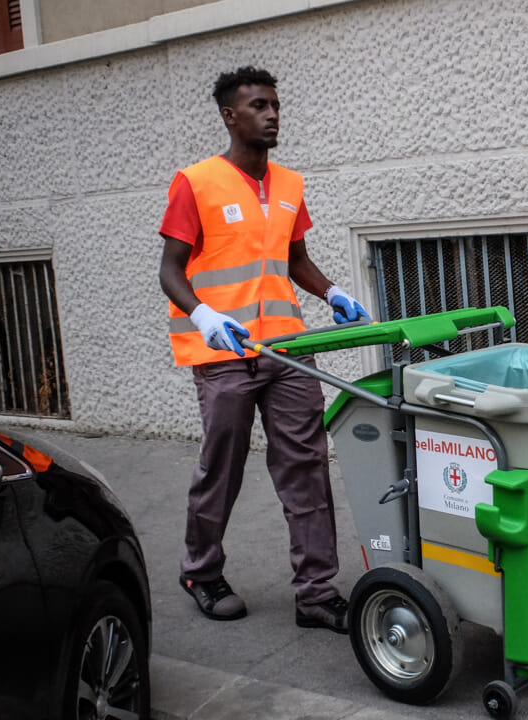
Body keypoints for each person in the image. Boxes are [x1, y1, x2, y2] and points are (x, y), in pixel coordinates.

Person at [158, 66, 370, 633]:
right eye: (258, 106)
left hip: (288, 351)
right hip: (224, 355)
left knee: (306, 467)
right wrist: (202, 314)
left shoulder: (290, 185)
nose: (272, 114)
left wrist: (332, 292)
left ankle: (317, 592)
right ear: (230, 116)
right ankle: (201, 572)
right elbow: (170, 270)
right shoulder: (196, 182)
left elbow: (294, 258)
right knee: (220, 470)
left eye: (275, 104)